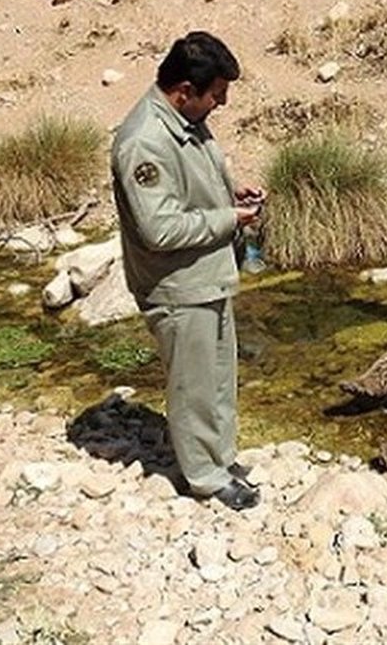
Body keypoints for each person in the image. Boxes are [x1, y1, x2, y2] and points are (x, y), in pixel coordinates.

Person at [111, 31, 265, 511]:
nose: (220, 104)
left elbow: (189, 189)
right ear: (183, 90)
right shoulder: (144, 142)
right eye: (215, 96)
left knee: (217, 377)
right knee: (193, 385)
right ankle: (203, 477)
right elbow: (159, 229)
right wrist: (227, 220)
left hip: (206, 276)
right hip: (177, 286)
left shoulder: (183, 120)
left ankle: (220, 459)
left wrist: (229, 195)